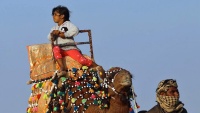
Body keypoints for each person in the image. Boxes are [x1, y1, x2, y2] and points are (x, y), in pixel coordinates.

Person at [48, 5, 100, 76]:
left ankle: (97, 66)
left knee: (81, 60)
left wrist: (62, 33)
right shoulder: (54, 28)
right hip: (60, 48)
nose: (53, 16)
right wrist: (53, 34)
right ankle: (62, 67)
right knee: (55, 49)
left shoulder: (68, 25)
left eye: (55, 14)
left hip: (70, 47)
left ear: (62, 16)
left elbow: (75, 30)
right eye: (53, 14)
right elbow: (49, 37)